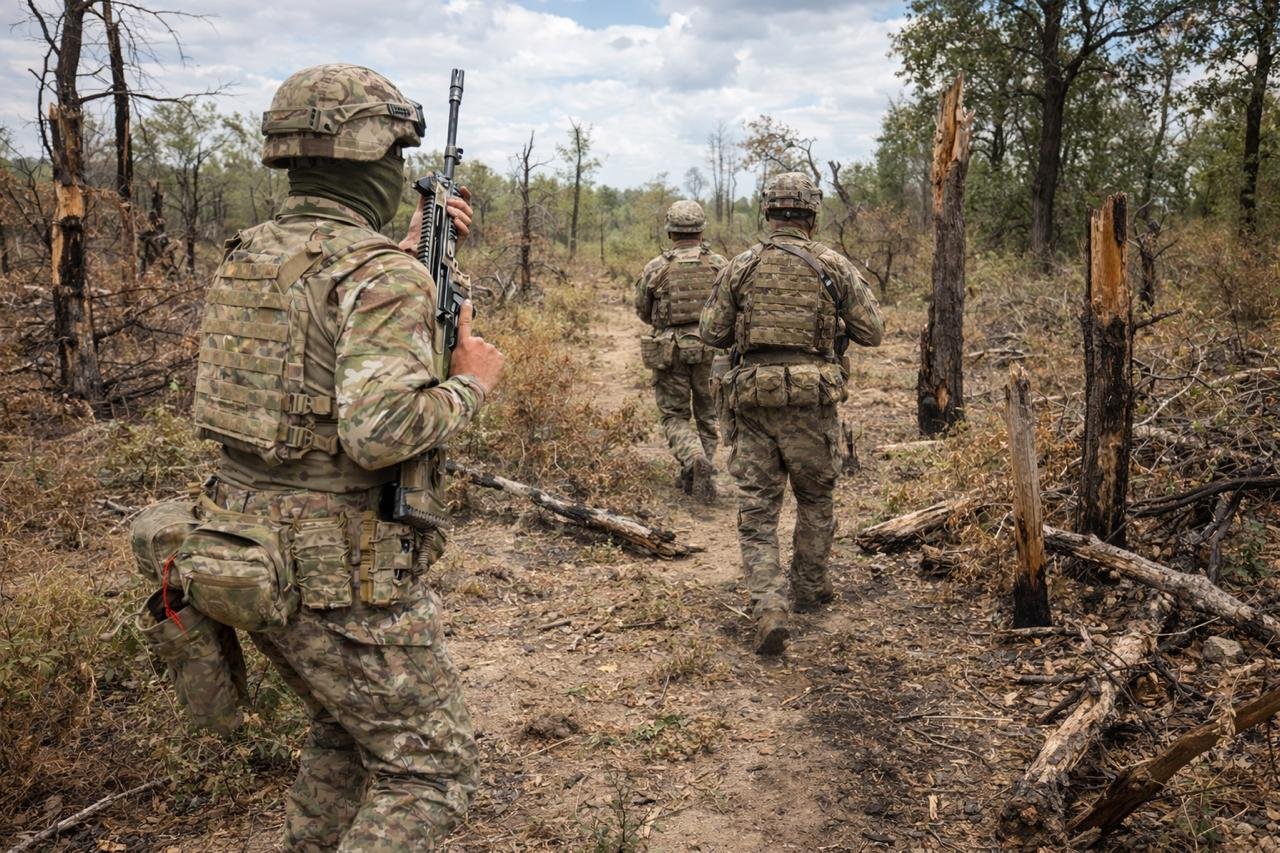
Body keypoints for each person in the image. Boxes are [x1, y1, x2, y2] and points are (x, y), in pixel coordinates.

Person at [191, 63, 503, 849]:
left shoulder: (252, 252)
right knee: (430, 770)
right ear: (375, 162)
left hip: (246, 553)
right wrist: (472, 384)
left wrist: (398, 257)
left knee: (345, 732)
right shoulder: (379, 276)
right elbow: (380, 431)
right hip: (341, 574)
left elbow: (315, 334)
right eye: (396, 159)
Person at [699, 172, 883, 655]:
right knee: (815, 499)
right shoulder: (832, 265)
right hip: (810, 405)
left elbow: (712, 333)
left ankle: (769, 607)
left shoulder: (742, 264)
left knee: (758, 512)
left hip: (753, 403)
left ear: (767, 213)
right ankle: (809, 587)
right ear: (813, 215)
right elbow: (872, 332)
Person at [634, 200, 728, 500]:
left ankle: (692, 461)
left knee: (674, 416)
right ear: (701, 230)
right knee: (708, 414)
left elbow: (643, 311)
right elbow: (731, 309)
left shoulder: (656, 267)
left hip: (670, 350)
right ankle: (704, 467)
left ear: (670, 231)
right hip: (711, 350)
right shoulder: (719, 265)